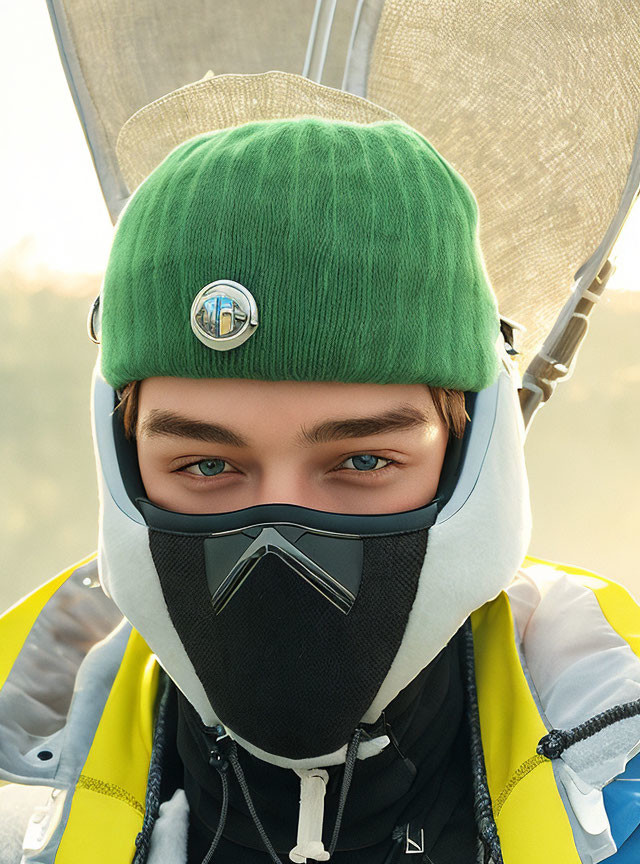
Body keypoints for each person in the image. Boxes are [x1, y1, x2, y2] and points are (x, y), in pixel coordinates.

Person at [1, 116, 639, 864]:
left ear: (476, 462)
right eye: (207, 467)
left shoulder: (616, 777)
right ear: (122, 467)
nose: (276, 545)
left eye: (364, 463)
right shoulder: (17, 781)